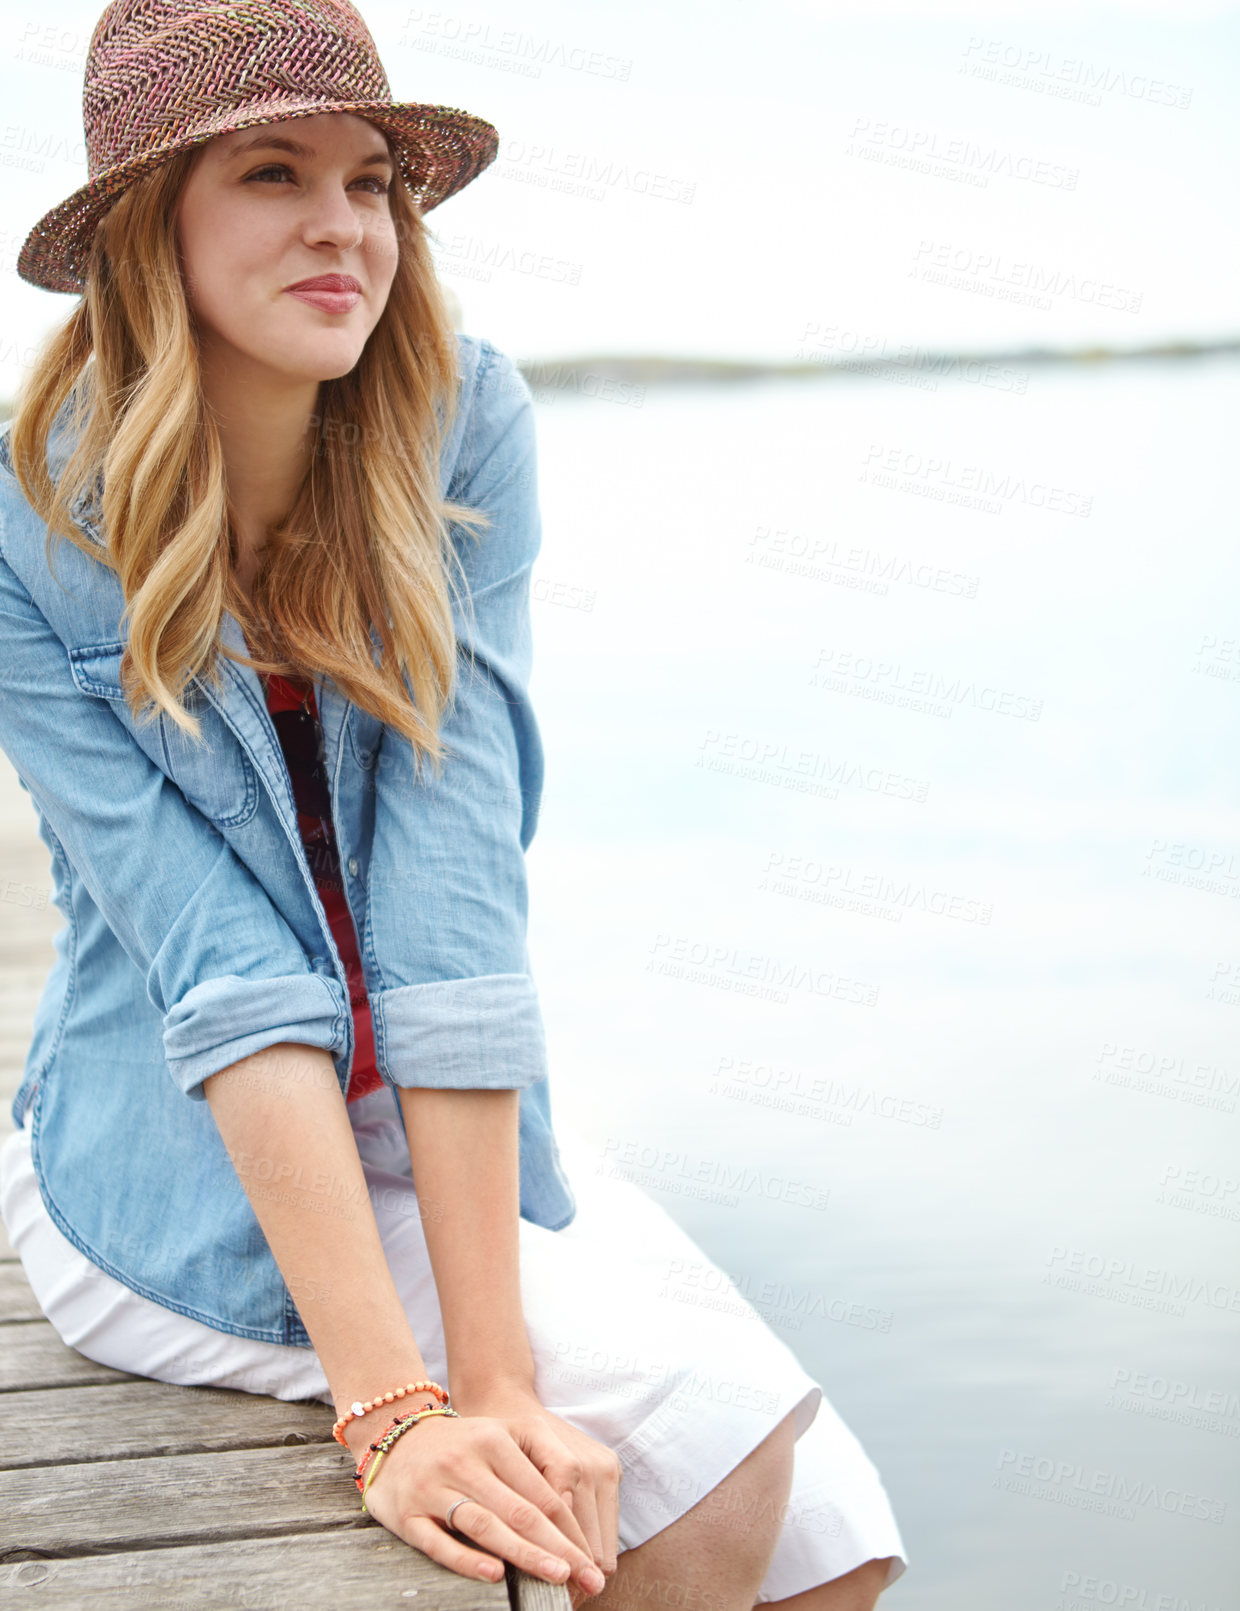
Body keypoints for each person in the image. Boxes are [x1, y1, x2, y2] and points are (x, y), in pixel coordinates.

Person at [0, 2, 909, 1605]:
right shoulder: (30, 514)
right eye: (272, 174)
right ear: (154, 228)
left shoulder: (459, 420)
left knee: (837, 1530)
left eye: (373, 183)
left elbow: (453, 889)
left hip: (418, 1108)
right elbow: (213, 962)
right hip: (180, 1141)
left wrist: (494, 1376)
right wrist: (395, 1405)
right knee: (709, 1473)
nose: (342, 225)